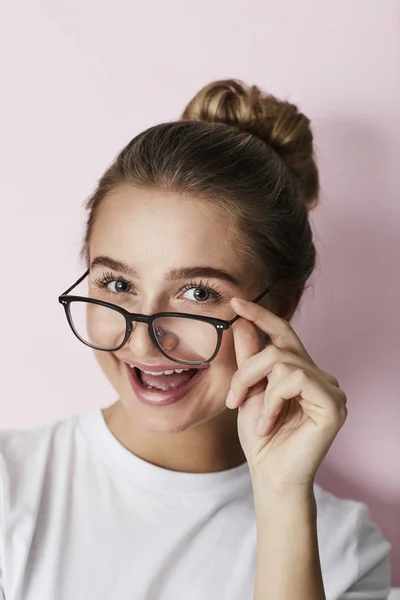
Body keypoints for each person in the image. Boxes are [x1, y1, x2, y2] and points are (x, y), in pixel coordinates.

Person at [0, 79, 391, 600]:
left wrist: (279, 495)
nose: (142, 342)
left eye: (198, 293)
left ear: (283, 304)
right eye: (118, 285)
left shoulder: (342, 550)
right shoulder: (11, 485)